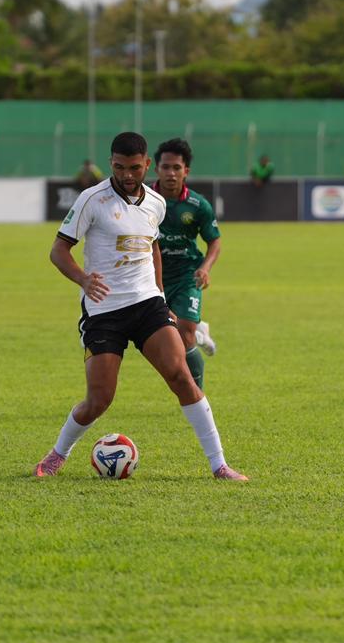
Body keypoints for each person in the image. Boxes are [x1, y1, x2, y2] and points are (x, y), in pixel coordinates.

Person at [34, 131, 247, 481]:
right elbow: (58, 251)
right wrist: (83, 279)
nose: (127, 175)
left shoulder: (156, 203)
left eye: (134, 168)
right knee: (99, 400)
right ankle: (58, 454)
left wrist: (160, 295)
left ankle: (219, 465)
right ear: (111, 163)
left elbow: (153, 247)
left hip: (147, 304)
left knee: (181, 376)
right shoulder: (92, 199)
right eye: (119, 167)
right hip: (104, 312)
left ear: (146, 164)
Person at [152, 138, 220, 389]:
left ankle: (197, 398)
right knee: (160, 339)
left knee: (184, 334)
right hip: (150, 278)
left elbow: (214, 241)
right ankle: (199, 330)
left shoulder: (197, 205)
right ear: (156, 169)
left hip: (186, 275)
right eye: (166, 167)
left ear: (186, 171)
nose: (171, 173)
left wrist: (205, 268)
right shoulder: (143, 200)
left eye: (176, 168)